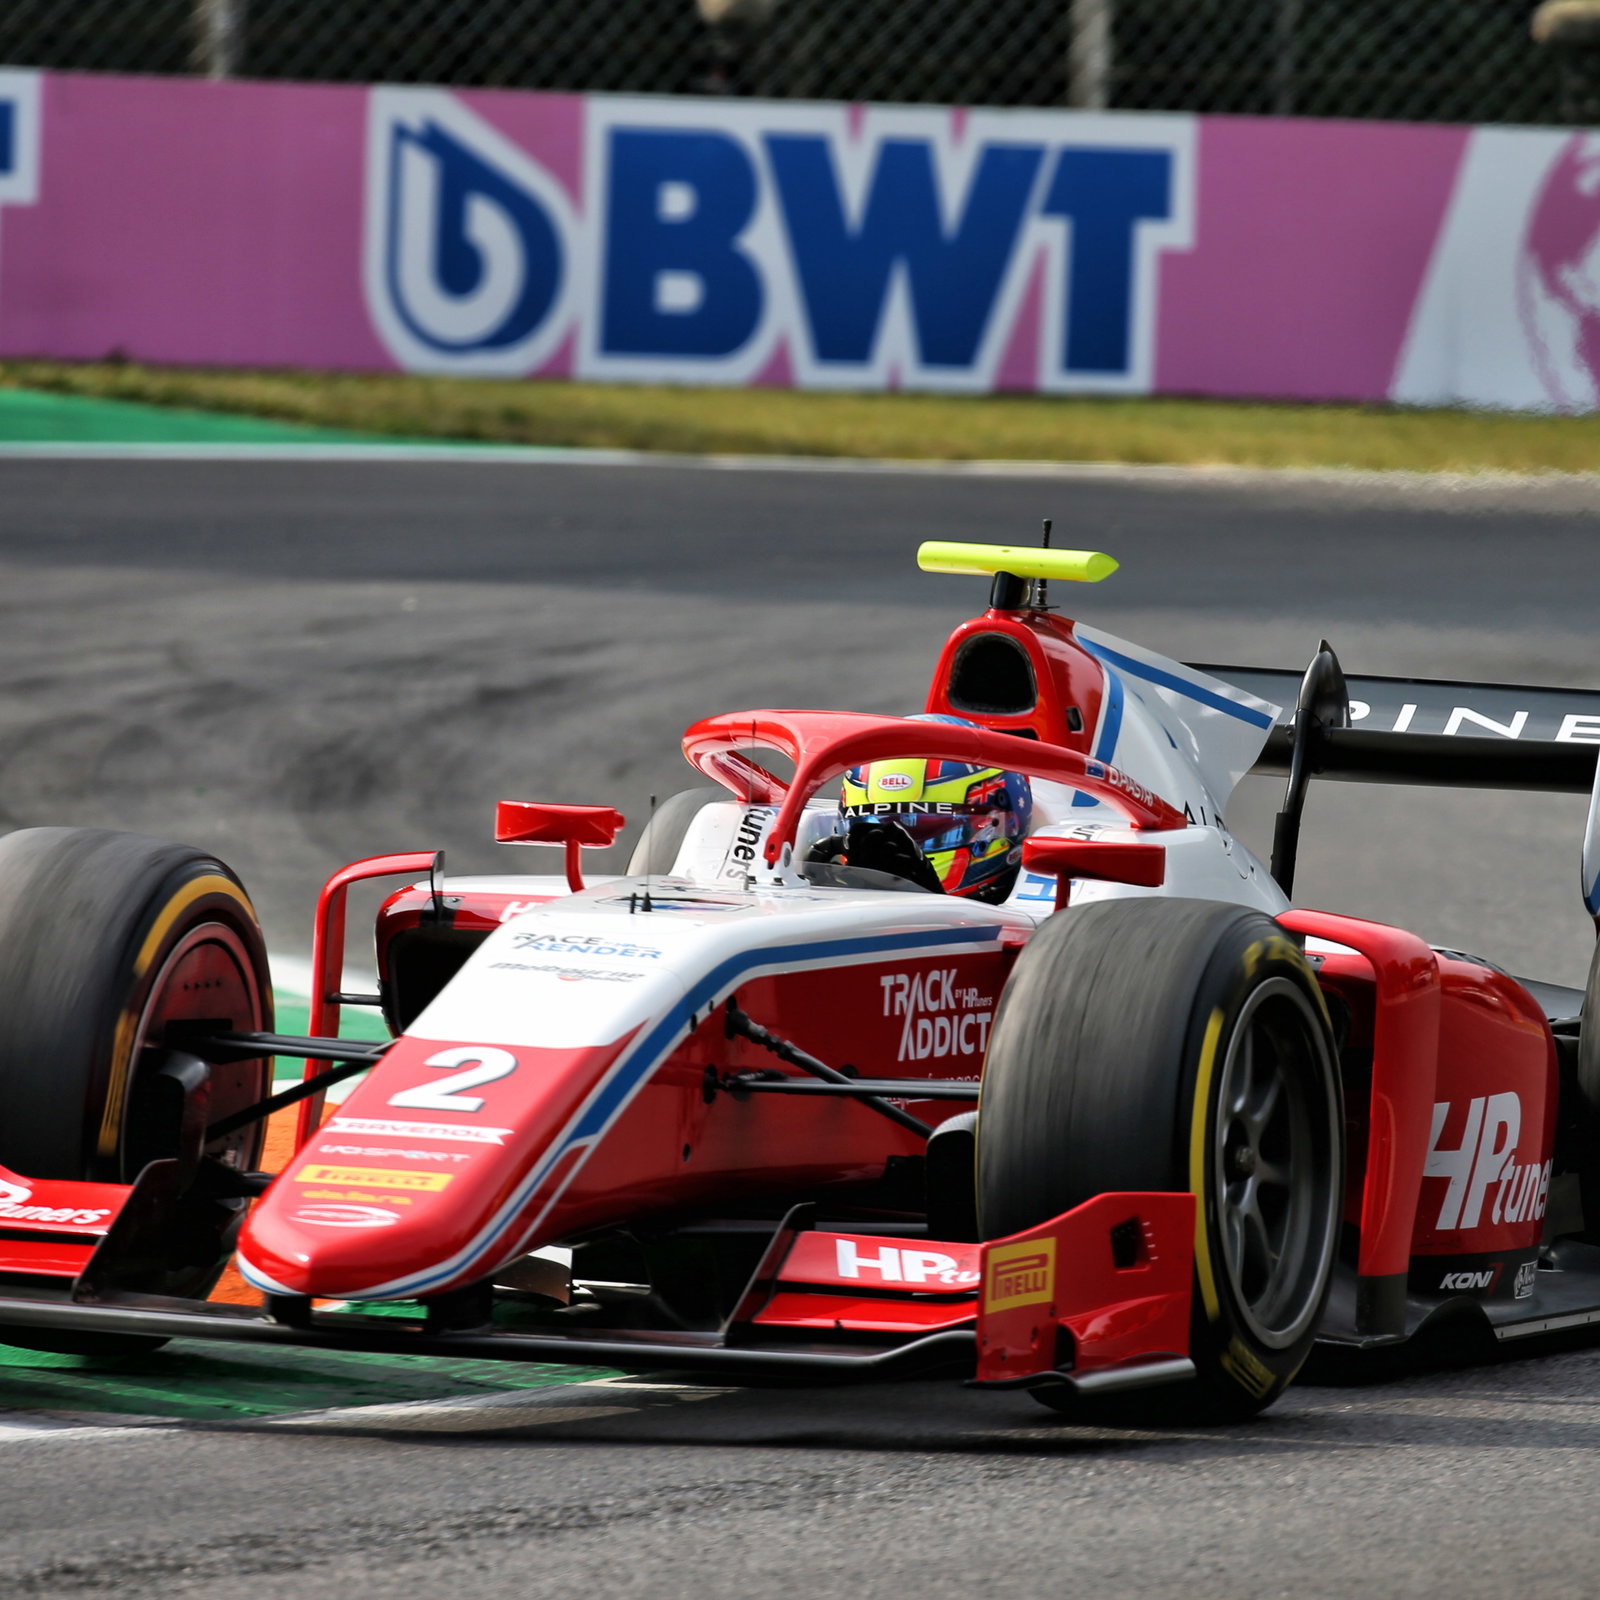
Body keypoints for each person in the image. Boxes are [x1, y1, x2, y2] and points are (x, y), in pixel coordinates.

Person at [805, 714, 1033, 902]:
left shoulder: (1054, 906)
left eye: (927, 829)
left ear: (1004, 822)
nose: (890, 856)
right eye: (872, 826)